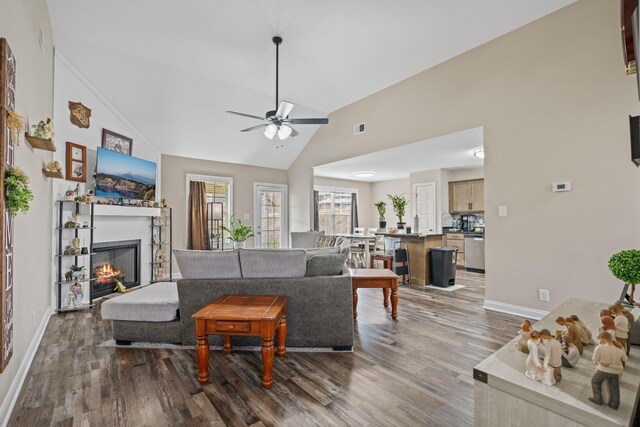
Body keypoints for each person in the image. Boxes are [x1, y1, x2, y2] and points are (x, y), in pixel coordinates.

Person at [589, 332, 627, 410]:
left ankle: (598, 400)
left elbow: (594, 359)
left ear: (603, 337)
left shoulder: (599, 348)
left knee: (595, 382)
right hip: (615, 372)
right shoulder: (619, 350)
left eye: (599, 339)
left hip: (602, 371)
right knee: (614, 387)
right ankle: (614, 404)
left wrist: (597, 362)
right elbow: (625, 359)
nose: (599, 341)